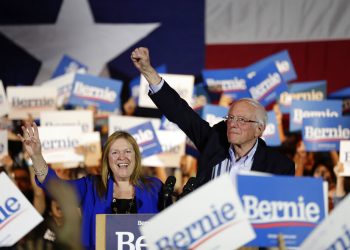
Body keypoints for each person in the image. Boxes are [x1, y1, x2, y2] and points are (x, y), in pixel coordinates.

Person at [131, 47, 295, 186]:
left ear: (259, 129)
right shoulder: (214, 143)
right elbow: (180, 112)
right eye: (230, 118)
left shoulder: (279, 166)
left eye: (242, 120)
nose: (233, 124)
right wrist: (148, 71)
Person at [18, 122, 164, 250]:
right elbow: (54, 186)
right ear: (107, 159)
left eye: (127, 151)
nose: (122, 157)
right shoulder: (91, 187)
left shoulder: (154, 187)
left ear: (136, 157)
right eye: (115, 152)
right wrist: (36, 156)